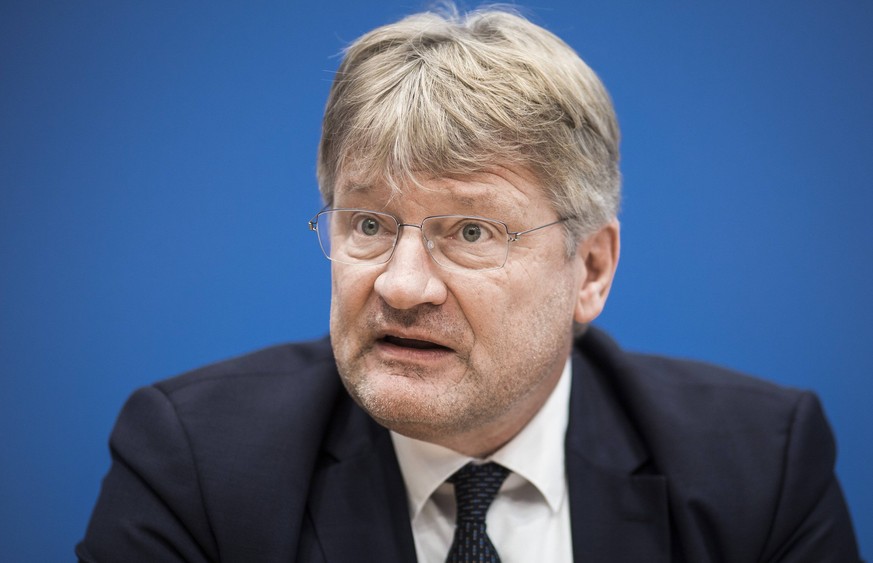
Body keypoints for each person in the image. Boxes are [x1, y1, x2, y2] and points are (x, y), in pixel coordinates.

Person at [77, 7, 861, 562]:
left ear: (589, 268)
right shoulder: (198, 463)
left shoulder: (759, 466)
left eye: (471, 232)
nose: (402, 285)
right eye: (369, 224)